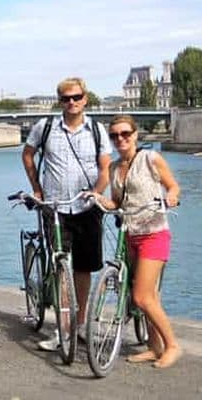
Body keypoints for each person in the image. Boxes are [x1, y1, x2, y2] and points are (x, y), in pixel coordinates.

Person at [22, 76, 112, 351]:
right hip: (55, 208)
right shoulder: (45, 127)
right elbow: (27, 155)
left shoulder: (96, 130)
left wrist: (97, 192)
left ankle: (80, 324)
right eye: (66, 98)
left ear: (85, 99)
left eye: (76, 97)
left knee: (83, 269)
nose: (71, 102)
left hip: (86, 208)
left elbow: (105, 168)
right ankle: (63, 331)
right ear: (59, 101)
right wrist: (36, 188)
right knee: (61, 269)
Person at [92, 115, 182, 368]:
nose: (120, 139)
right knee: (144, 294)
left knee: (142, 297)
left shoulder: (150, 158)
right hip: (130, 235)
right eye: (114, 135)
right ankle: (154, 347)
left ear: (135, 135)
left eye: (125, 134)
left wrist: (171, 198)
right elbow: (117, 203)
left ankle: (172, 346)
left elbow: (173, 187)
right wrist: (96, 198)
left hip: (154, 234)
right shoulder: (113, 167)